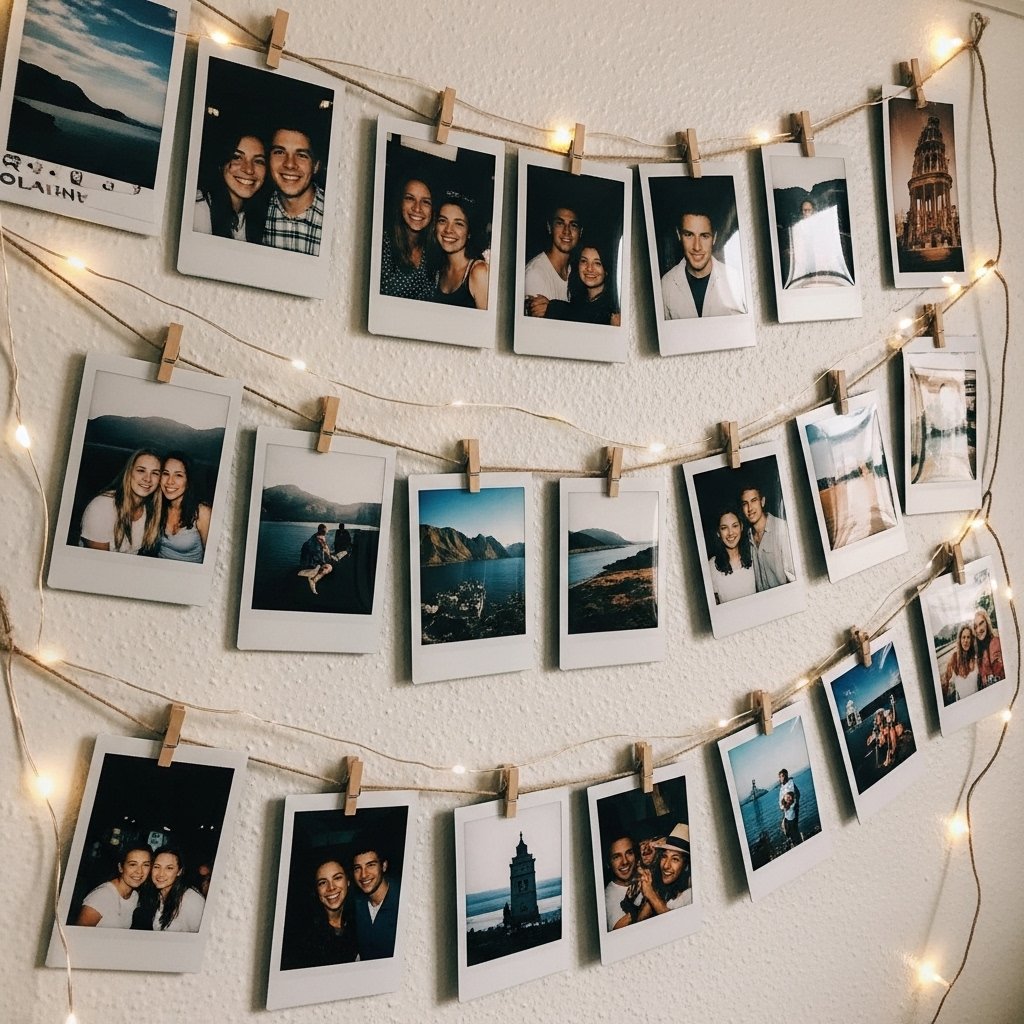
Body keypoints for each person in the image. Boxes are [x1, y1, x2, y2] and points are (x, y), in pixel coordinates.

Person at [660, 209, 746, 319]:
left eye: (704, 236)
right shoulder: (666, 285)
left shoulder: (736, 279)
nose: (697, 247)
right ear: (679, 235)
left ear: (714, 238)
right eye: (689, 235)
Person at [79, 448, 163, 554]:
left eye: (155, 473)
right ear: (129, 473)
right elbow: (98, 561)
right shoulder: (102, 507)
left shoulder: (151, 509)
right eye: (141, 470)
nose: (148, 479)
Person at [193, 128, 269, 242]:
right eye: (237, 157)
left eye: (258, 161)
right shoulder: (197, 211)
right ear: (221, 163)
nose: (249, 170)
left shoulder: (260, 215)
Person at [284, 855, 358, 968]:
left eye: (337, 878)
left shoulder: (359, 920)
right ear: (316, 890)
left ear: (348, 881)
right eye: (323, 883)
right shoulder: (305, 936)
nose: (331, 887)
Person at [262, 125, 324, 256]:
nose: (289, 164)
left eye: (301, 155)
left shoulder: (334, 217)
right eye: (280, 152)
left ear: (316, 166)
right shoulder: (255, 214)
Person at [380, 175, 435, 300]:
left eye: (425, 202)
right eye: (410, 198)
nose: (417, 208)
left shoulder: (435, 248)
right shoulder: (382, 246)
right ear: (400, 203)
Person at [432, 193, 489, 309]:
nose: (448, 230)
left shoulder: (479, 272)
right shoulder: (438, 269)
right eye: (443, 221)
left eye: (458, 224)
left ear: (469, 232)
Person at [524, 202, 581, 317]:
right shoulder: (535, 273)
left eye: (573, 225)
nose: (567, 231)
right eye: (560, 223)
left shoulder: (578, 272)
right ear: (550, 227)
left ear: (580, 232)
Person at [74, 844, 153, 927]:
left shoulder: (134, 896)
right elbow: (79, 933)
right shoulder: (102, 896)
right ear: (120, 867)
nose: (139, 871)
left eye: (145, 865)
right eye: (133, 864)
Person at [543, 243, 621, 325]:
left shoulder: (615, 310)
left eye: (597, 263)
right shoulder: (578, 300)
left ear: (607, 269)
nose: (589, 268)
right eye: (584, 261)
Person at [739, 482, 795, 592]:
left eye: (754, 500)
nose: (750, 508)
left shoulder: (781, 528)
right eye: (745, 503)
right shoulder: (746, 537)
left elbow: (793, 576)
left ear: (762, 502)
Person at [155, 452, 211, 563]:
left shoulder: (202, 512)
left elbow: (212, 558)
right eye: (166, 473)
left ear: (188, 481)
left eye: (178, 475)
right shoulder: (156, 507)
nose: (170, 481)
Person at [351, 843, 401, 959]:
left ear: (384, 866)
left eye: (370, 865)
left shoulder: (402, 900)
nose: (364, 875)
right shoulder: (356, 905)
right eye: (358, 868)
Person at [635, 824, 692, 918]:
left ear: (686, 865)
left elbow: (675, 921)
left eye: (675, 859)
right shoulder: (658, 884)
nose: (666, 865)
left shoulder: (691, 894)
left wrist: (650, 894)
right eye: (664, 856)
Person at [146, 846, 205, 932]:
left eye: (169, 868)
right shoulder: (154, 895)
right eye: (157, 867)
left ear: (179, 871)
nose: (161, 874)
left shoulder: (192, 900)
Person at [707, 507, 755, 604]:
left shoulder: (754, 555)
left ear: (741, 527)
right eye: (724, 528)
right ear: (718, 533)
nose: (730, 533)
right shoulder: (710, 567)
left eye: (735, 526)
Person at [603, 834, 637, 931]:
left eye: (629, 853)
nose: (625, 861)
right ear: (608, 863)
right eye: (616, 857)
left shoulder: (644, 877)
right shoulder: (608, 898)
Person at [941, 624, 978, 704]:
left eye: (968, 637)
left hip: (976, 700)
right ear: (960, 640)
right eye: (963, 637)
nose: (966, 640)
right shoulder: (955, 658)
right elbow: (946, 680)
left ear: (971, 640)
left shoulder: (975, 657)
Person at [297, 524, 333, 594]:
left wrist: (328, 556)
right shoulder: (318, 540)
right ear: (320, 530)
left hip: (307, 562)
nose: (325, 533)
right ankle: (313, 579)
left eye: (325, 531)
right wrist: (326, 561)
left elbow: (325, 548)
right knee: (329, 567)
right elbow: (319, 554)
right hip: (311, 564)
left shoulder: (316, 537)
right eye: (324, 531)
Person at [974, 609, 1004, 688]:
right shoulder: (979, 650)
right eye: (975, 627)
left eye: (981, 623)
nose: (979, 629)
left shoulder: (996, 642)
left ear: (987, 623)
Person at [778, 769, 801, 846]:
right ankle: (795, 843)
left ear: (785, 776)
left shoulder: (791, 783)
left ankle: (798, 844)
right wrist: (783, 807)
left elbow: (797, 794)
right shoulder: (781, 788)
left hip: (793, 811)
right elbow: (780, 802)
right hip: (786, 812)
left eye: (782, 776)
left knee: (794, 830)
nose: (780, 778)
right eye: (780, 777)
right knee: (788, 831)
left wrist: (794, 804)